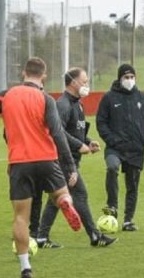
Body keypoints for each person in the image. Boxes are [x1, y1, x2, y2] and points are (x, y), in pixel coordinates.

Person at [0, 57, 83, 278]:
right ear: (43, 76)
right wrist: (70, 165)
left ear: (23, 74)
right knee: (62, 194)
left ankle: (25, 267)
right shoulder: (45, 99)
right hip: (46, 160)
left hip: (19, 163)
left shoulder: (6, 95)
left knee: (21, 218)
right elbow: (57, 133)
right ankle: (64, 202)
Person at [31, 68, 117, 248]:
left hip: (70, 159)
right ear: (73, 83)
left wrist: (87, 141)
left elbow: (75, 130)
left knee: (57, 198)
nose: (87, 85)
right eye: (84, 81)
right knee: (80, 194)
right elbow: (58, 133)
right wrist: (79, 146)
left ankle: (41, 237)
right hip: (62, 160)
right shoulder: (62, 104)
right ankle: (95, 235)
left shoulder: (78, 104)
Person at [96, 63, 144, 232]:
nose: (129, 80)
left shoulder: (143, 98)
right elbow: (101, 122)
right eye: (126, 77)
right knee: (112, 168)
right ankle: (112, 207)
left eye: (131, 77)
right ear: (119, 78)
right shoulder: (109, 98)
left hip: (136, 148)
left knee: (132, 184)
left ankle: (128, 220)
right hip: (115, 147)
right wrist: (111, 140)